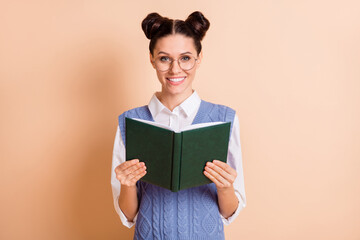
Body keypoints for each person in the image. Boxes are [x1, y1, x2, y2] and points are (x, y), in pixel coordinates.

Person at [111, 11, 246, 240]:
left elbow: (229, 211)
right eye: (164, 58)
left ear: (199, 58)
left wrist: (225, 187)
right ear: (152, 58)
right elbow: (128, 214)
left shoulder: (224, 119)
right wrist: (127, 185)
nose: (175, 70)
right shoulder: (130, 122)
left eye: (185, 58)